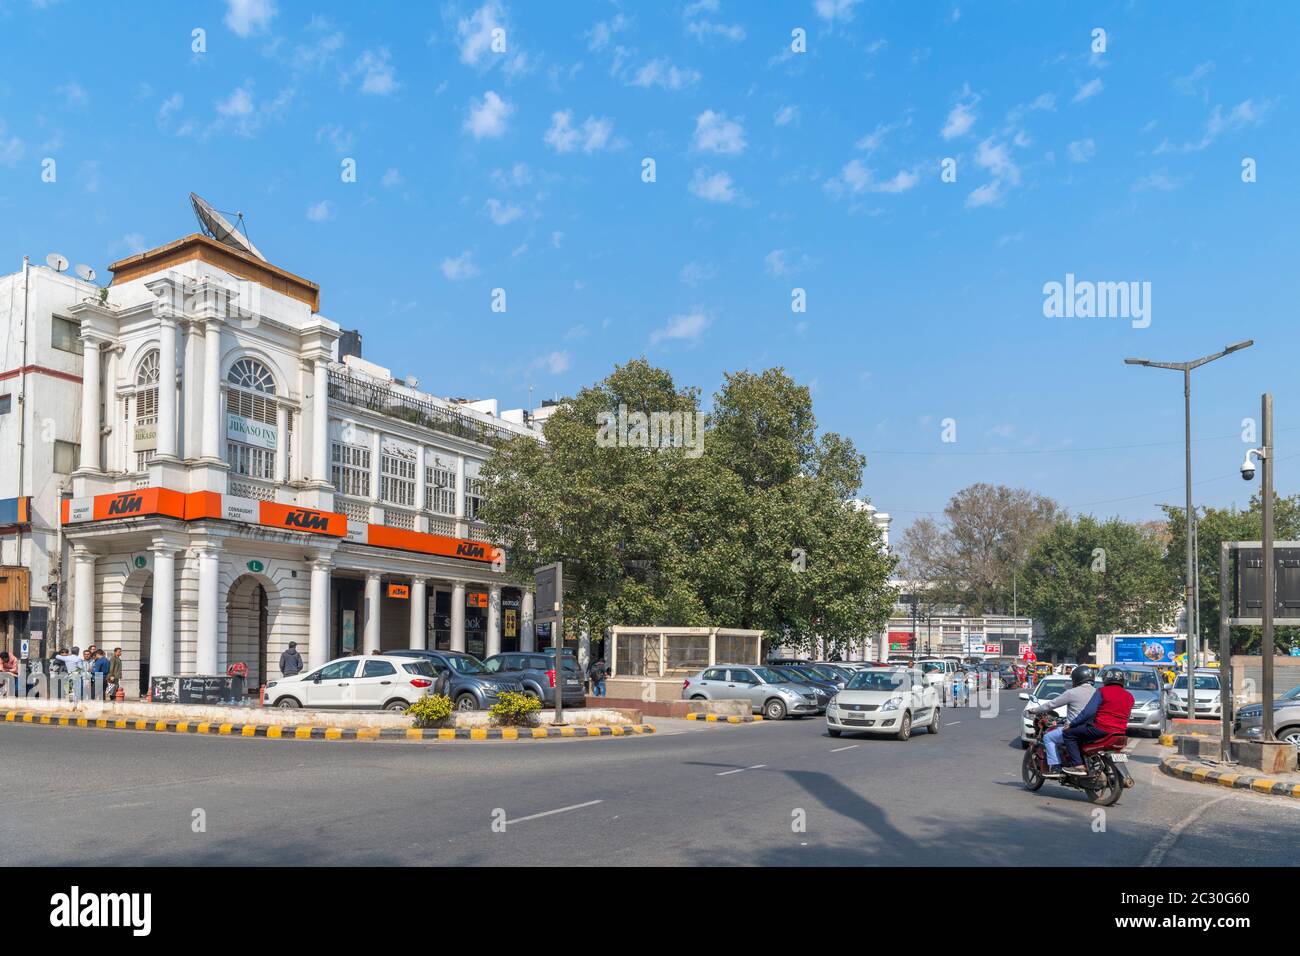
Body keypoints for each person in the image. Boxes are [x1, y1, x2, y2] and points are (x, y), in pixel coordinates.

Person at [1061, 668, 1134, 776]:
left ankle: (1078, 765)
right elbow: (1127, 717)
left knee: (1069, 734)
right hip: (1120, 732)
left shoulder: (1101, 691)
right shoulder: (1129, 696)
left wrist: (1072, 724)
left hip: (1100, 729)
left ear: (1106, 679)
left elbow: (1088, 712)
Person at [1030, 665, 1098, 776]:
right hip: (1093, 730)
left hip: (1075, 730)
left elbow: (1051, 704)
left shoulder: (1072, 692)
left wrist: (1035, 710)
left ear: (1076, 678)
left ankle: (1056, 767)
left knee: (1048, 737)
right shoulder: (1097, 692)